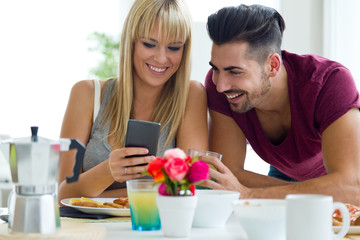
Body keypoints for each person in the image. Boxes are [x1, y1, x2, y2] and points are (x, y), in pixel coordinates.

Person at [201, 4, 360, 205]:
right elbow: (229, 174)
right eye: (216, 69)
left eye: (235, 72)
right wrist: (295, 193)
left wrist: (249, 194)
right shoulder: (220, 86)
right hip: (282, 175)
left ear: (273, 65)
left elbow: (351, 188)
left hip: (341, 176)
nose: (221, 85)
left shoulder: (329, 82)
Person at [57, 0, 208, 200]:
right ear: (131, 42)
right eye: (149, 44)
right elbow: (63, 194)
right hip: (91, 229)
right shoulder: (86, 94)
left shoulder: (191, 95)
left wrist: (99, 194)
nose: (162, 59)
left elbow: (189, 188)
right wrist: (109, 170)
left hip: (155, 228)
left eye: (173, 47)